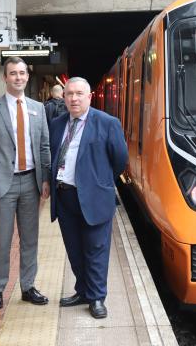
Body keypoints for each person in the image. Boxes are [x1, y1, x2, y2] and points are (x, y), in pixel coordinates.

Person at [49, 76, 128, 319]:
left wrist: (100, 183)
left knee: (96, 250)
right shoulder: (58, 123)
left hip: (94, 198)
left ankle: (96, 298)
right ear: (64, 97)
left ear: (89, 97)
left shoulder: (107, 123)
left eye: (79, 94)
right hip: (65, 198)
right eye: (69, 94)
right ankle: (82, 291)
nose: (73, 98)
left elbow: (120, 160)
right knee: (74, 250)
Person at [0, 56, 51, 310]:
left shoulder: (37, 108)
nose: (18, 77)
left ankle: (28, 287)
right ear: (5, 77)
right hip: (2, 185)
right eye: (13, 73)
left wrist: (45, 179)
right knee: (2, 240)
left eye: (22, 73)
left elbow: (44, 146)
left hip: (31, 182)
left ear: (27, 77)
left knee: (30, 239)